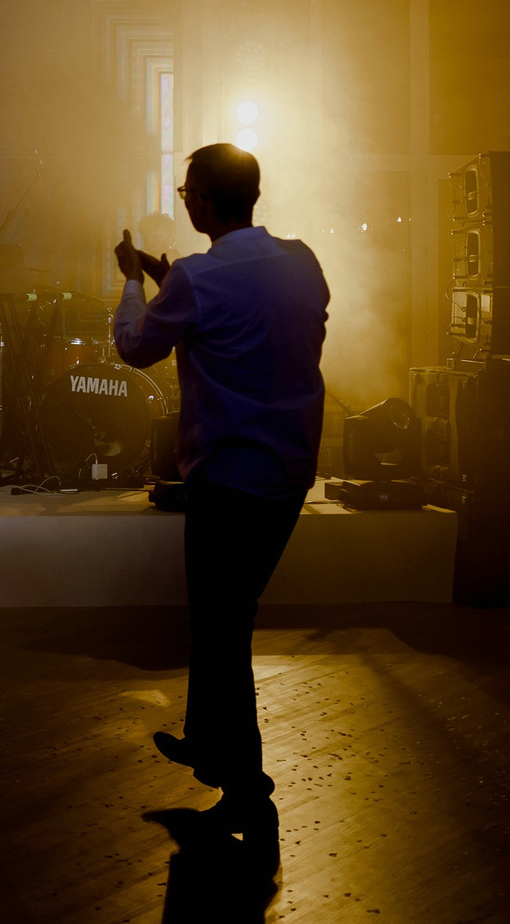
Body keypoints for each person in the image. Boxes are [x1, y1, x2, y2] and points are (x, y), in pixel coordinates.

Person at [112, 143, 329, 838]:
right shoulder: (303, 262)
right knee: (224, 616)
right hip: (288, 471)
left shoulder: (196, 280)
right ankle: (208, 745)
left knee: (223, 623)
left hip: (228, 475)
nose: (185, 202)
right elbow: (253, 315)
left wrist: (133, 283)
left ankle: (247, 784)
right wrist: (171, 280)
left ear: (203, 201)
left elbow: (135, 347)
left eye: (187, 193)